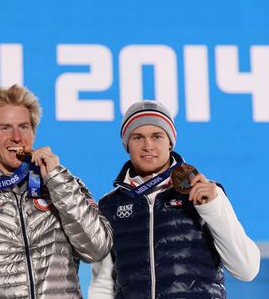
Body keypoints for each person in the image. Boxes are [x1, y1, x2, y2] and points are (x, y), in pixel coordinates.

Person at [0, 84, 113, 299]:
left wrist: (57, 181)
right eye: (5, 128)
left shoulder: (65, 186)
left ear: (33, 132)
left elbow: (97, 248)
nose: (16, 137)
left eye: (23, 127)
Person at [89, 100, 260, 299]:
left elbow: (247, 269)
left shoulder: (207, 194)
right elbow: (103, 283)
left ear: (170, 141)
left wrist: (213, 208)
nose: (148, 146)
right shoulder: (110, 205)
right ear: (126, 144)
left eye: (157, 136)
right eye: (137, 137)